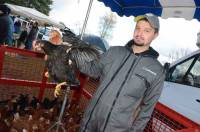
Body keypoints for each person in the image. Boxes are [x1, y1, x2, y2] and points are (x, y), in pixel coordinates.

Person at [78, 13, 166, 132]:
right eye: (138, 28)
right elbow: (92, 69)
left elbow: (147, 109)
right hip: (90, 120)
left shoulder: (157, 70)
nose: (140, 33)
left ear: (155, 35)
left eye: (147, 30)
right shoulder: (114, 51)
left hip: (117, 128)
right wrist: (70, 55)